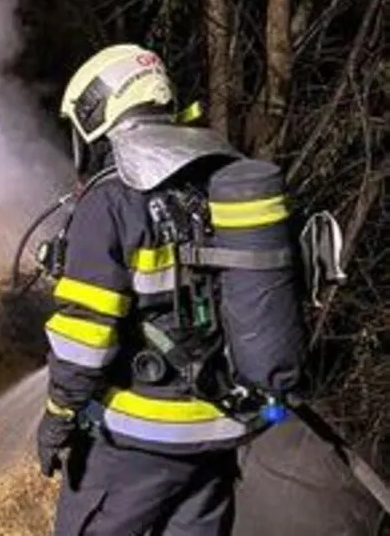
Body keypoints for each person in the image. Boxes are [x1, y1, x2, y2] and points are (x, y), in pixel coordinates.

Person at [36, 44, 308, 535]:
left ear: (99, 112)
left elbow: (85, 336)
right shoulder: (216, 182)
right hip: (219, 438)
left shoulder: (113, 201)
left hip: (135, 444)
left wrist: (58, 414)